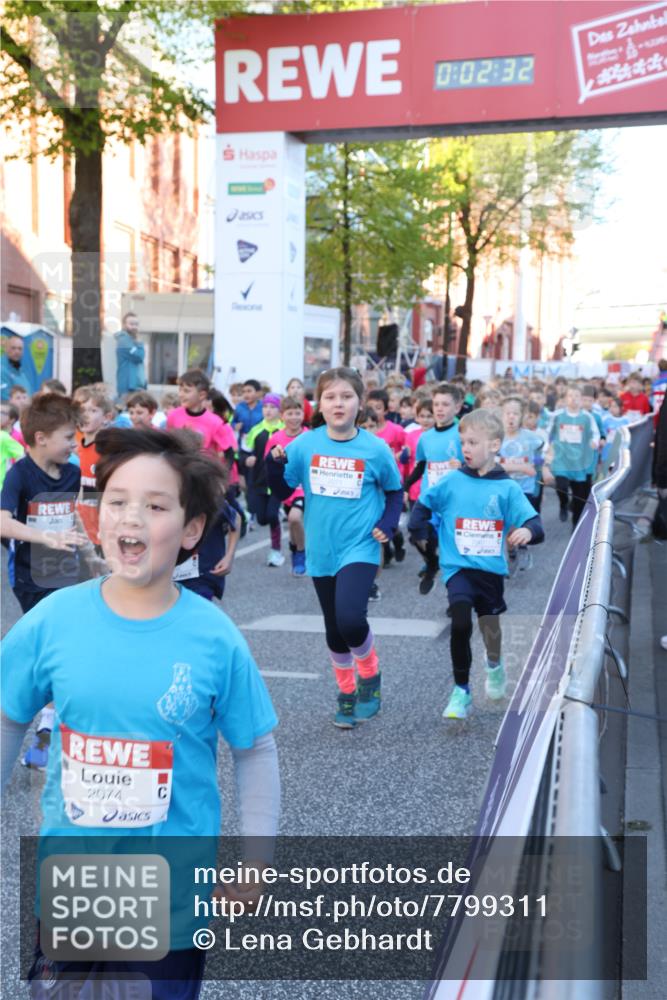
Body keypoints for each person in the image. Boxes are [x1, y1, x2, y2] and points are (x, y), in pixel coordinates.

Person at [0, 426, 279, 999]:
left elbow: (255, 749)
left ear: (191, 530)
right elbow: (7, 717)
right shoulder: (53, 620)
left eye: (154, 506)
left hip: (172, 899)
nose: (130, 517)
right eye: (117, 501)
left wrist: (256, 860)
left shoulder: (214, 637)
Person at [267, 367, 402, 727]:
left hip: (359, 546)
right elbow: (283, 491)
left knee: (350, 618)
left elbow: (394, 490)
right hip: (321, 549)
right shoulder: (305, 445)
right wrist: (272, 467)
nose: (338, 403)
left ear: (360, 403)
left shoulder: (375, 449)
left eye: (346, 397)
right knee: (333, 627)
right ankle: (346, 690)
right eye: (331, 397)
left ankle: (369, 677)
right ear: (320, 404)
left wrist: (387, 524)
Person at [420, 408, 544, 719]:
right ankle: (461, 691)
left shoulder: (506, 488)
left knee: (490, 627)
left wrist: (526, 530)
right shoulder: (452, 481)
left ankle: (495, 665)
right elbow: (423, 505)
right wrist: (419, 528)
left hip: (489, 572)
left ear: (494, 445)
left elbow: (535, 522)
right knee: (461, 621)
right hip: (457, 568)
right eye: (463, 443)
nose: (466, 449)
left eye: (473, 443)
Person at [1, 394, 88, 770]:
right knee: (44, 653)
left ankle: (49, 729)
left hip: (66, 574)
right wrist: (45, 537)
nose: (74, 444)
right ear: (40, 438)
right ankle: (31, 720)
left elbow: (79, 513)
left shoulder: (72, 471)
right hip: (29, 576)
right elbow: (3, 522)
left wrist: (86, 540)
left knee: (62, 648)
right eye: (68, 437)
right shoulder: (19, 474)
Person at [405, 383, 464, 595]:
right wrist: (405, 486)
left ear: (457, 408)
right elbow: (421, 464)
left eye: (445, 404)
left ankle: (454, 597)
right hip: (429, 496)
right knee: (414, 528)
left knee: (451, 551)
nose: (439, 409)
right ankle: (431, 562)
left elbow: (474, 463)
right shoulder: (426, 437)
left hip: (453, 499)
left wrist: (463, 467)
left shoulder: (461, 434)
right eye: (436, 404)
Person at [543, 383, 599, 527]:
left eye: (577, 396)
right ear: (565, 398)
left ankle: (576, 527)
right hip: (561, 459)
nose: (574, 399)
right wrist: (546, 447)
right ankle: (563, 503)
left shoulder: (587, 417)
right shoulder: (558, 415)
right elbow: (547, 432)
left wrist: (594, 441)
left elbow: (595, 433)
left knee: (579, 496)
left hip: (579, 462)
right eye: (570, 396)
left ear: (581, 399)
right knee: (561, 485)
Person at [265, 396, 308, 576]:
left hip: (305, 487)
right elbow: (269, 464)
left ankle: (300, 553)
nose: (294, 417)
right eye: (289, 413)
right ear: (282, 416)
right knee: (294, 524)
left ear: (303, 414)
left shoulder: (309, 436)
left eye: (297, 413)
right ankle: (295, 548)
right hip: (285, 488)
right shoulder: (276, 438)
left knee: (294, 518)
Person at [245, 394, 285, 566]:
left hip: (278, 482)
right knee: (261, 518)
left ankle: (276, 551)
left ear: (279, 410)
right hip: (259, 481)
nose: (268, 410)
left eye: (272, 407)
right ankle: (276, 514)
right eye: (265, 407)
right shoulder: (256, 430)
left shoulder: (284, 430)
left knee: (271, 515)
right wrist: (247, 459)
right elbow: (244, 452)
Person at [167, 369, 237, 468]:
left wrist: (221, 479)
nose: (181, 394)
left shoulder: (215, 422)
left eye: (186, 391)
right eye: (180, 390)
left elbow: (229, 453)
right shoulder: (173, 416)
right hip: (179, 472)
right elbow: (168, 445)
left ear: (202, 395)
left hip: (203, 475)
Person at [114, 312, 146, 398]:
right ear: (124, 325)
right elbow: (139, 357)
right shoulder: (123, 340)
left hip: (137, 386)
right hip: (128, 386)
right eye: (131, 324)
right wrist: (139, 344)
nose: (134, 327)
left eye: (136, 324)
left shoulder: (132, 341)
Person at [1, 334, 32, 401]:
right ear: (6, 349)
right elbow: (4, 397)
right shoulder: (1, 369)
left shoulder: (21, 370)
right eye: (13, 348)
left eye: (20, 349)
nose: (17, 351)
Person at [0, 400, 24, 488]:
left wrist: (13, 475)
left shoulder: (4, 437)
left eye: (2, 413)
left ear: (11, 419)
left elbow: (22, 456)